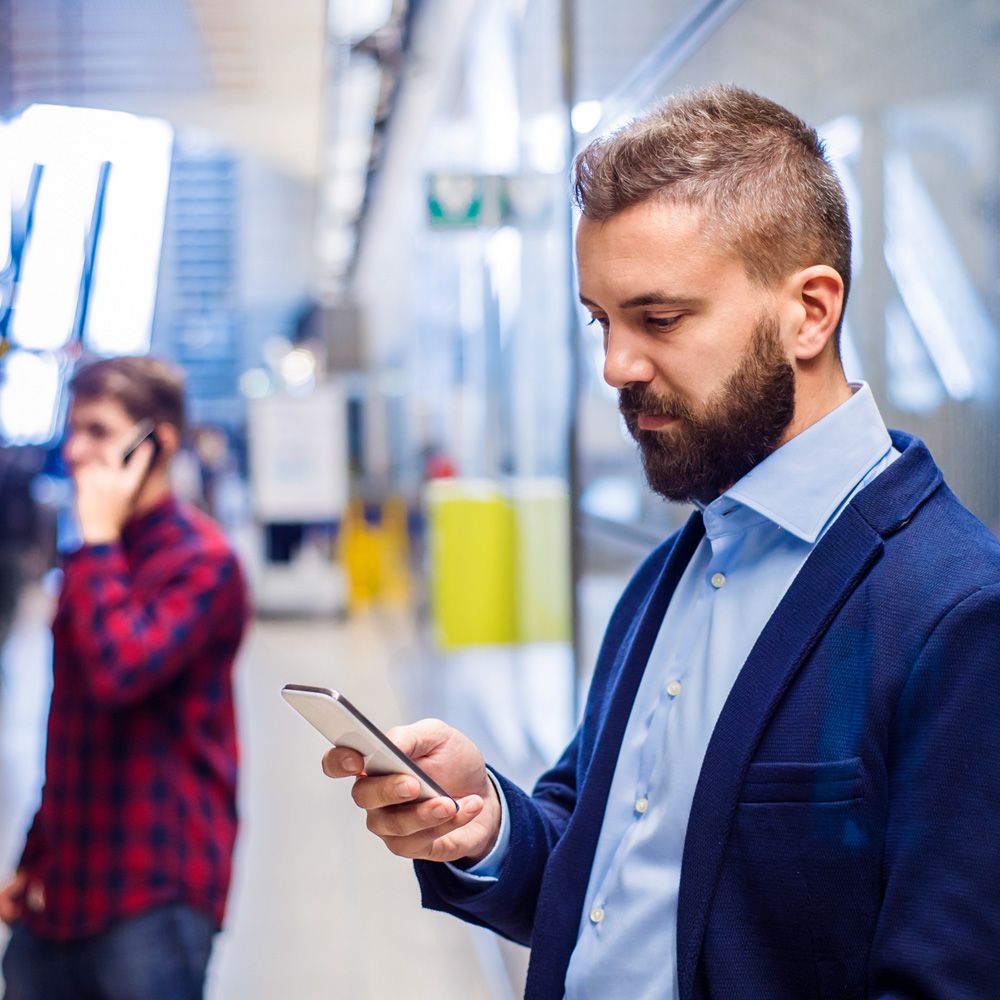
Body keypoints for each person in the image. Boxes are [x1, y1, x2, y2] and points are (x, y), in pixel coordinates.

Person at [321, 84, 1000, 999]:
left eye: (661, 319)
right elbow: (603, 869)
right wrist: (486, 825)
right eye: (602, 321)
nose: (616, 366)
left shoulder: (954, 613)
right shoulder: (672, 571)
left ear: (810, 310)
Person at [0, 356, 250, 1000]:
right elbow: (74, 721)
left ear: (155, 445)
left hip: (155, 891)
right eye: (73, 430)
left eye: (99, 431)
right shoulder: (92, 557)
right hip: (66, 884)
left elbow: (121, 671)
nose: (76, 450)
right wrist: (35, 853)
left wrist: (101, 540)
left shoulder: (206, 563)